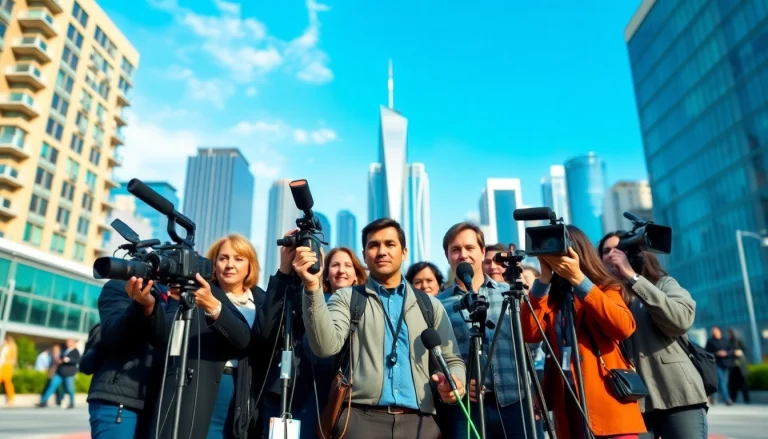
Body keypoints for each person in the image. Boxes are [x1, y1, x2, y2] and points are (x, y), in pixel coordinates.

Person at [296, 218, 465, 439]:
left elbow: (452, 360)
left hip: (420, 424)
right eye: (373, 245)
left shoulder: (430, 305)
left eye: (390, 244)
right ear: (364, 256)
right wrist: (312, 287)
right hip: (359, 420)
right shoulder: (347, 297)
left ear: (404, 252)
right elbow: (325, 347)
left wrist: (455, 382)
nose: (382, 251)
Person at [521, 225, 645, 439]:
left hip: (607, 405)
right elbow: (529, 333)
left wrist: (579, 280)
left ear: (577, 251)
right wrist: (543, 279)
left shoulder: (606, 288)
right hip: (567, 404)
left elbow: (622, 327)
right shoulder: (551, 299)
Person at [150, 233, 263, 439]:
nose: (230, 265)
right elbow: (165, 336)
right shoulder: (197, 293)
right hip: (201, 387)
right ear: (213, 264)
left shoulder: (262, 301)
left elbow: (251, 341)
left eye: (238, 259)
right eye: (223, 258)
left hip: (246, 391)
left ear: (250, 266)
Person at [255, 239, 369, 438]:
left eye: (347, 265)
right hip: (302, 391)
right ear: (325, 273)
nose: (341, 270)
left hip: (343, 397)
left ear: (357, 275)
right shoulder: (308, 298)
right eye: (335, 265)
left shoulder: (366, 305)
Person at [600, 232, 708, 439]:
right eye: (606, 251)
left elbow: (680, 320)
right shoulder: (600, 297)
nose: (613, 255)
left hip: (678, 393)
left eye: (619, 249)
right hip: (630, 399)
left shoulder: (663, 284)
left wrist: (632, 277)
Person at [437, 223, 532, 439]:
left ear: (482, 252)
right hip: (465, 408)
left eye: (470, 248)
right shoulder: (437, 304)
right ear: (447, 256)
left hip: (515, 401)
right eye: (455, 249)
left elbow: (532, 346)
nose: (463, 255)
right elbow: (434, 357)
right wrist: (457, 382)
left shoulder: (511, 294)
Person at [85, 280, 170, 439]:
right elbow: (112, 334)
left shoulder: (185, 295)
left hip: (161, 403)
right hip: (120, 398)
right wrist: (143, 306)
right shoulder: (121, 285)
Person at [39, 339, 80, 409]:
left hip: (68, 373)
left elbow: (77, 360)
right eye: (67, 342)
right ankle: (43, 401)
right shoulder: (64, 350)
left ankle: (71, 403)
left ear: (73, 343)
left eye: (69, 342)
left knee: (69, 389)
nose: (67, 343)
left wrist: (67, 360)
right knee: (52, 385)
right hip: (60, 373)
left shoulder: (75, 351)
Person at [705, 326, 734, 406]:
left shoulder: (726, 341)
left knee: (724, 382)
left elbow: (732, 351)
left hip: (726, 364)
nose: (714, 333)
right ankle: (727, 399)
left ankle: (715, 398)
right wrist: (716, 353)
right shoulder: (710, 341)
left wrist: (726, 353)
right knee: (721, 381)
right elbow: (707, 352)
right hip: (716, 364)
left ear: (719, 331)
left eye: (716, 331)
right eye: (713, 332)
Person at [727, 328, 750, 404]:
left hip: (740, 366)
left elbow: (744, 350)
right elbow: (727, 352)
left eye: (730, 333)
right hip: (732, 366)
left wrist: (740, 352)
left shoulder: (738, 341)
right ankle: (733, 399)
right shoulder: (728, 342)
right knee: (732, 384)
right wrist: (733, 352)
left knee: (743, 384)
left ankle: (746, 399)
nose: (729, 335)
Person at [0, 335, 17, 406]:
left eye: (4, 340)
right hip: (2, 366)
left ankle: (11, 399)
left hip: (7, 367)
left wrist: (6, 361)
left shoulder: (12, 348)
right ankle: (11, 399)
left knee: (7, 382)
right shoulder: (3, 348)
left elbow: (13, 360)